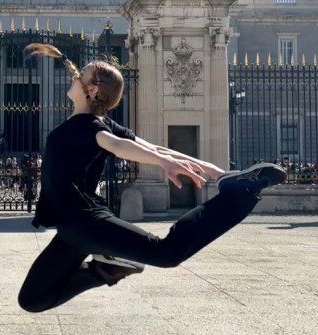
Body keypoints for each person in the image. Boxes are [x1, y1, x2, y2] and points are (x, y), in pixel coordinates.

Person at [17, 43, 286, 314]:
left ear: (93, 90)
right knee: (32, 299)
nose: (75, 76)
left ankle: (238, 195)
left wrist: (165, 162)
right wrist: (211, 169)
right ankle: (105, 270)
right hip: (70, 231)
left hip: (85, 223)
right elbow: (154, 148)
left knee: (167, 253)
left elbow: (118, 146)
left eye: (81, 75)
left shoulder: (89, 126)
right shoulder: (96, 123)